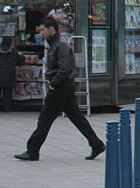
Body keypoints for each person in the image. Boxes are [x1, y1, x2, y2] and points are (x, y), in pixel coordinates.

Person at [15, 17, 105, 161]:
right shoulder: (54, 44)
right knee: (77, 118)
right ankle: (97, 144)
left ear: (52, 29)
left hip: (60, 88)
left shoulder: (60, 45)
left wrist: (53, 83)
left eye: (43, 30)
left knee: (44, 119)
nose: (41, 33)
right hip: (64, 88)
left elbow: (65, 68)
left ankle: (32, 151)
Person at [0, 37, 25, 112]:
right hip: (9, 74)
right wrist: (22, 56)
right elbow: (20, 59)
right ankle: (7, 107)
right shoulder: (13, 51)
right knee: (7, 93)